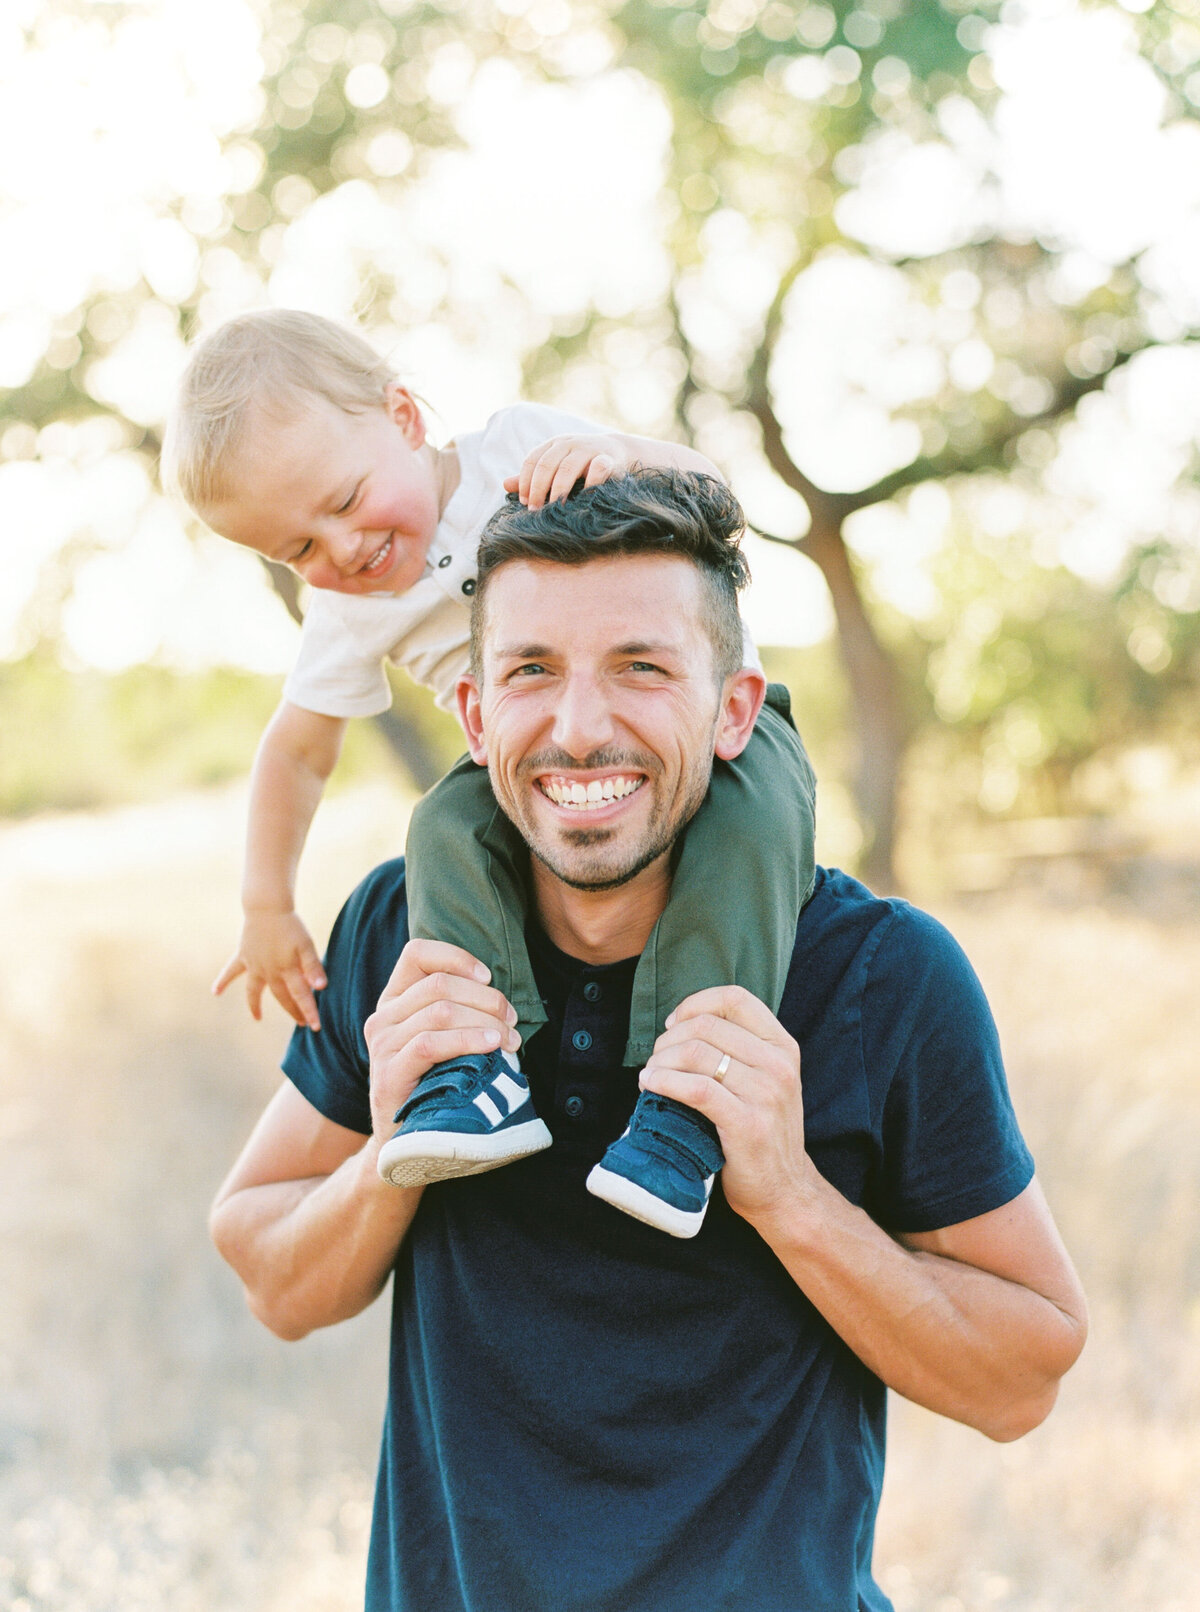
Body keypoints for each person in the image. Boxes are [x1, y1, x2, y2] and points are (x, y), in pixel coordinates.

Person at [209, 469, 1087, 1612]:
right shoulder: (402, 932)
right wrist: (388, 1150)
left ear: (734, 709)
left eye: (642, 667)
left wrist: (787, 1193)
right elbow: (271, 1276)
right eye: (531, 671)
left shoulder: (881, 974)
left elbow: (1022, 1379)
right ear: (475, 714)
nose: (580, 728)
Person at [164, 310, 816, 1237]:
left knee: (751, 832)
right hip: (523, 773)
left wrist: (620, 455)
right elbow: (297, 750)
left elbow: (715, 498)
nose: (339, 550)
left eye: (345, 501)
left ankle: (693, 1101)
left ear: (403, 417)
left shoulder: (516, 448)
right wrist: (266, 904)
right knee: (441, 828)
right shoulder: (348, 616)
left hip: (714, 732)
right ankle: (475, 1069)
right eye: (297, 550)